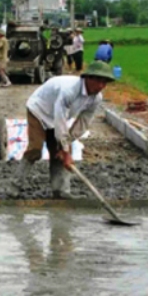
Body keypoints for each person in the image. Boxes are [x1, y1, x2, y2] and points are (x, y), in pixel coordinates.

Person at [13, 61, 115, 199]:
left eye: (105, 83)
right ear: (88, 78)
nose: (101, 86)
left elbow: (82, 123)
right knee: (35, 149)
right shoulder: (70, 90)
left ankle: (61, 191)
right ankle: (14, 187)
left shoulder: (96, 98)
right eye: (99, 81)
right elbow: (60, 120)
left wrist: (65, 148)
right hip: (39, 111)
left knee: (59, 153)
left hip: (58, 117)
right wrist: (66, 151)